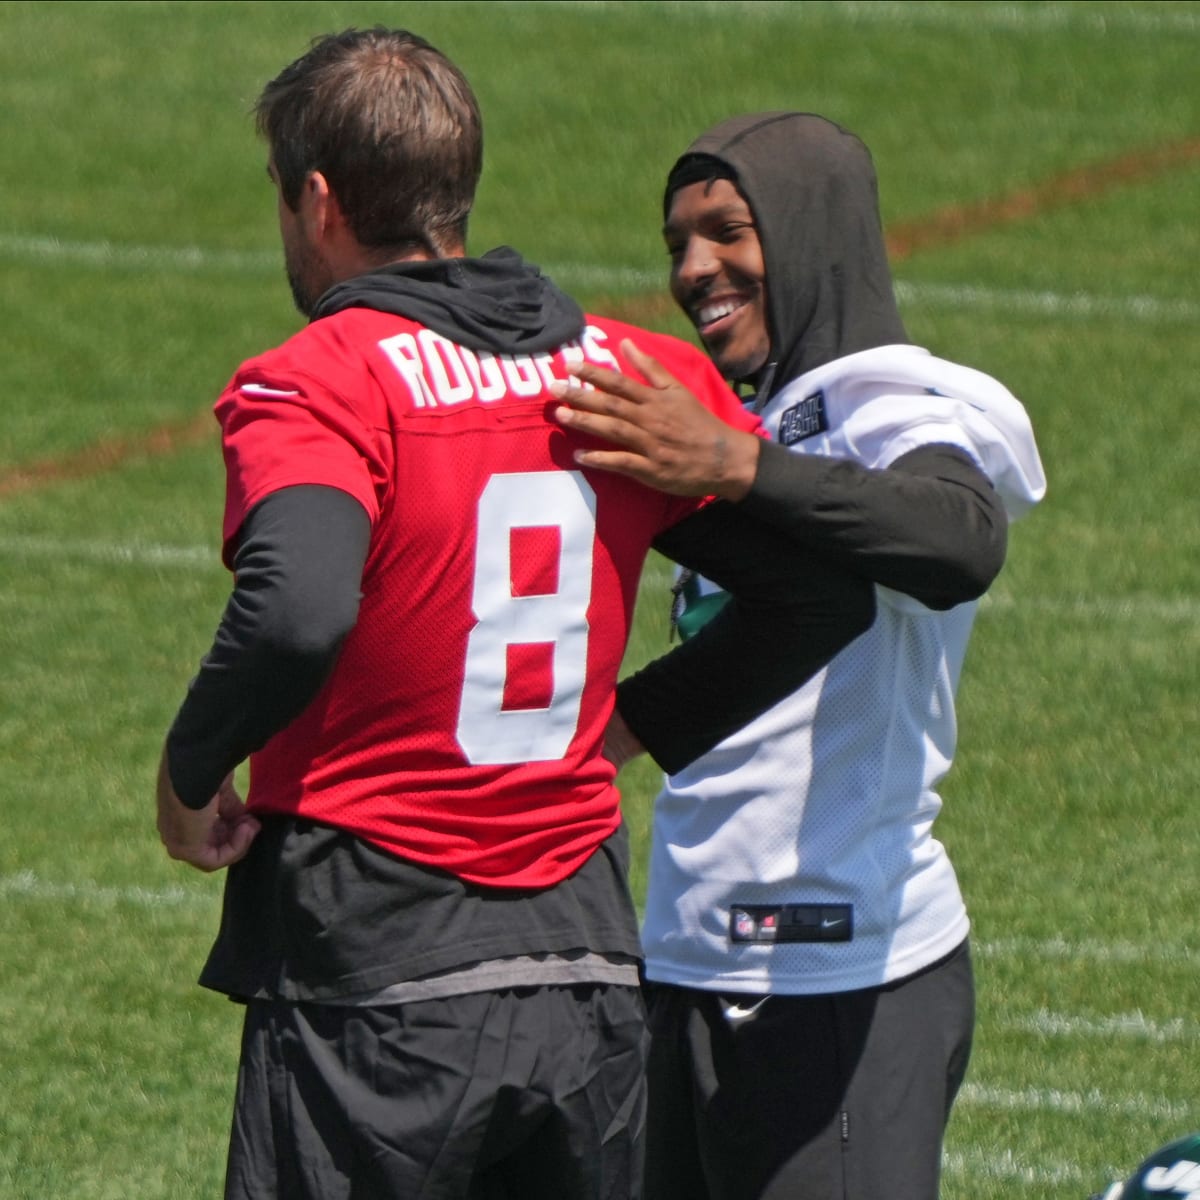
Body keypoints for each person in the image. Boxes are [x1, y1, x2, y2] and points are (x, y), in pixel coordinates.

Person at [154, 44, 877, 1200]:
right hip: (583, 973)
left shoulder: (321, 376)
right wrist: (630, 727)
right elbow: (820, 593)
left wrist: (188, 773)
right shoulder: (629, 370)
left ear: (321, 199)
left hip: (373, 981)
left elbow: (296, 606)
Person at [553, 112, 1047, 1199]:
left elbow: (961, 541)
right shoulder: (759, 413)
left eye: (728, 230)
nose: (694, 268)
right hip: (689, 957)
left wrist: (736, 464)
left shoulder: (897, 407)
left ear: (811, 229)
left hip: (836, 975)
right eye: (678, 241)